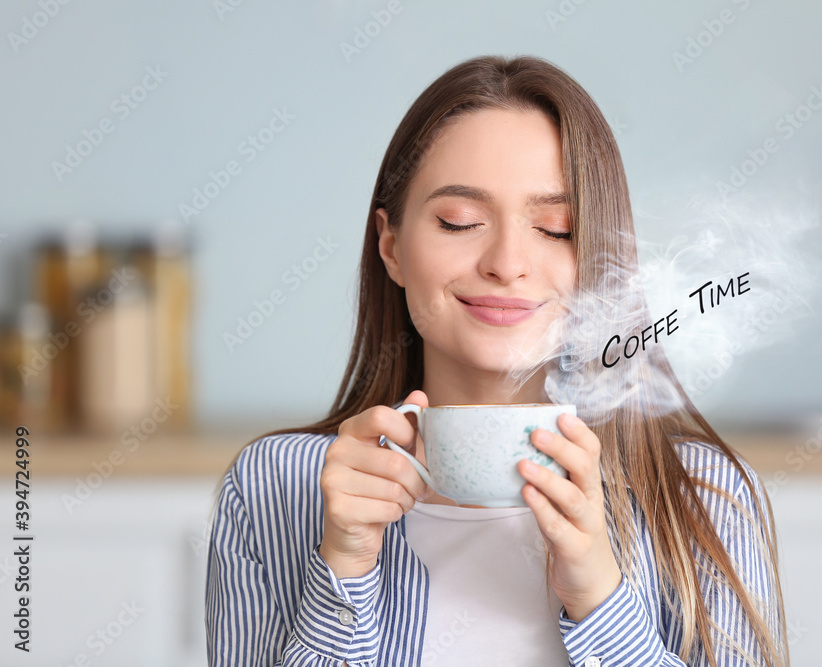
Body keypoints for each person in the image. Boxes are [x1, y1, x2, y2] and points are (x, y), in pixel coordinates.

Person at [205, 54, 789, 667]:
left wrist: (601, 601)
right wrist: (343, 574)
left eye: (557, 228)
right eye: (461, 222)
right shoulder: (277, 486)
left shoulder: (704, 498)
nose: (507, 262)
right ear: (392, 246)